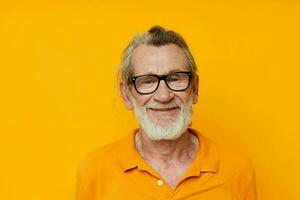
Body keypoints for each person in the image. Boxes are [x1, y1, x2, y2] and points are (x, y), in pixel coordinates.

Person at [76, 26, 257, 200]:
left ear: (194, 89)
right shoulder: (95, 170)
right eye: (147, 81)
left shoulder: (237, 169)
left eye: (175, 78)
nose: (164, 96)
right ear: (126, 95)